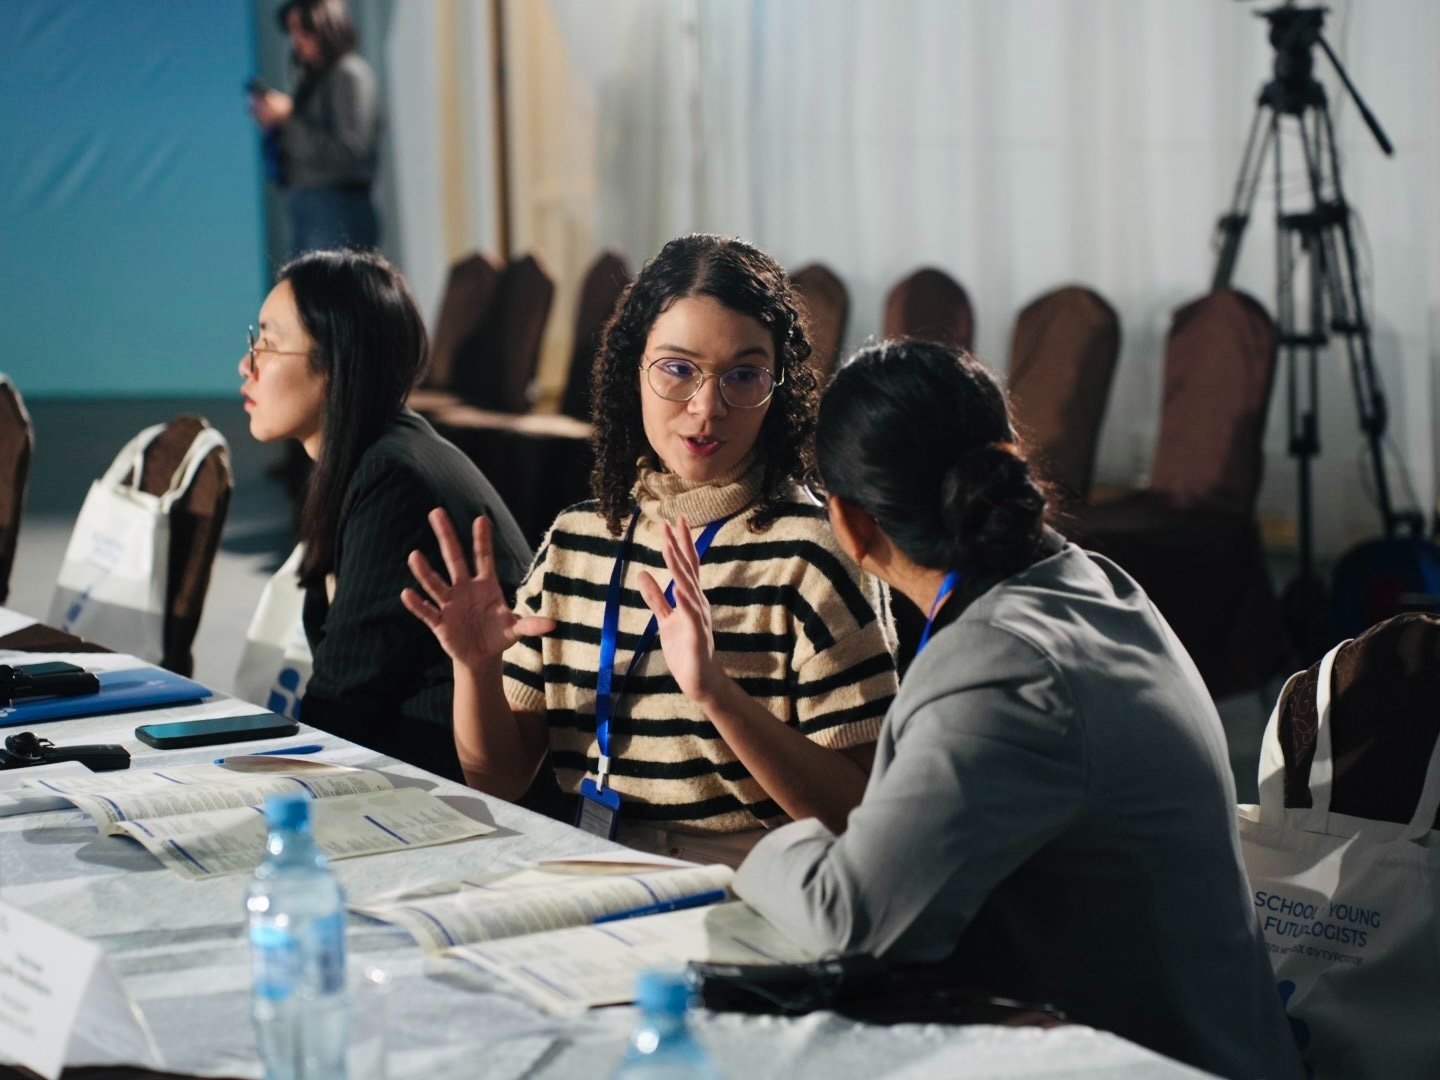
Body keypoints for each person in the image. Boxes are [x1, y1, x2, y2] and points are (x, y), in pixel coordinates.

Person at [731, 341, 1304, 1080]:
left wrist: (759, 852)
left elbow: (853, 920)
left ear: (848, 522)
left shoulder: (1003, 664)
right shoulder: (1088, 581)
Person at [403, 234, 898, 866]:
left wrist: (715, 693)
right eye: (678, 369)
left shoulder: (814, 552)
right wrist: (474, 671)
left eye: (744, 375)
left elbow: (857, 811)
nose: (707, 407)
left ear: (779, 386)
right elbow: (497, 778)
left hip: (748, 878)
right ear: (632, 370)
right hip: (590, 861)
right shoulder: (578, 539)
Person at [239, 248, 531, 783]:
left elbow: (342, 703)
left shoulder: (393, 480)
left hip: (444, 792)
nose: (247, 364)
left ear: (337, 362)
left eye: (268, 344)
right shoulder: (381, 454)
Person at [251, 0, 379, 254]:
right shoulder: (312, 79)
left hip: (337, 209)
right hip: (310, 207)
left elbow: (351, 152)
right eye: (292, 31)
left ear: (328, 26)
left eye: (304, 30)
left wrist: (289, 119)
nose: (297, 40)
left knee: (329, 280)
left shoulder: (349, 73)